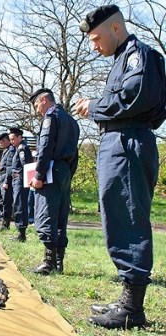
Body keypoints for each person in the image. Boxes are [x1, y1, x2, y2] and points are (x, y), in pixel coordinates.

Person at [76, 4, 166, 329]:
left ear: (116, 28)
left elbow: (133, 98)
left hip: (127, 143)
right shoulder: (121, 60)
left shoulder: (136, 55)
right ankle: (127, 299)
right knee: (117, 215)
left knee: (128, 216)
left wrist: (94, 105)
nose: (94, 45)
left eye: (97, 38)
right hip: (119, 141)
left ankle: (132, 308)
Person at [28, 88, 79, 276]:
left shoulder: (51, 117)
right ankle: (59, 261)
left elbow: (46, 147)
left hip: (51, 169)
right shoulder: (71, 121)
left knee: (46, 214)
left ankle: (49, 263)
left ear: (44, 100)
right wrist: (67, 174)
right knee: (59, 216)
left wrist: (39, 175)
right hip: (64, 170)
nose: (36, 110)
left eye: (36, 105)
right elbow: (75, 153)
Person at [8, 128, 33, 242]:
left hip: (20, 180)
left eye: (13, 139)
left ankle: (21, 233)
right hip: (17, 180)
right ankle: (20, 231)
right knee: (18, 204)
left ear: (20, 137)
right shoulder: (17, 149)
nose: (11, 141)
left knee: (20, 205)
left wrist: (27, 181)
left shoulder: (22, 149)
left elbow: (26, 166)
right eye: (10, 139)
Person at [0, 133, 15, 231]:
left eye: (1, 142)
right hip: (2, 179)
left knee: (6, 203)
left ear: (5, 141)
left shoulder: (11, 150)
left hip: (6, 179)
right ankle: (3, 219)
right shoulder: (6, 151)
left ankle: (5, 224)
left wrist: (7, 181)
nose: (0, 144)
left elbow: (9, 168)